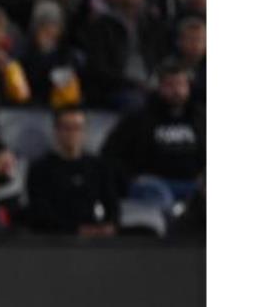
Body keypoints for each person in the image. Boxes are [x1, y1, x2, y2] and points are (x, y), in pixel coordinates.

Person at [100, 58, 204, 203]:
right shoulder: (138, 118)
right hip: (154, 184)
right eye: (170, 85)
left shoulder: (201, 118)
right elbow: (110, 153)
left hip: (193, 184)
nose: (177, 91)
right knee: (157, 195)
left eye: (181, 84)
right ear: (159, 87)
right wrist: (133, 178)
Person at [27, 106, 120, 235]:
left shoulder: (99, 167)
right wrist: (76, 229)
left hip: (95, 240)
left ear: (85, 131)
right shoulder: (40, 169)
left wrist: (109, 226)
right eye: (67, 128)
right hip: (54, 240)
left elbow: (112, 206)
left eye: (77, 128)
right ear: (56, 131)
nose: (72, 134)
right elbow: (40, 213)